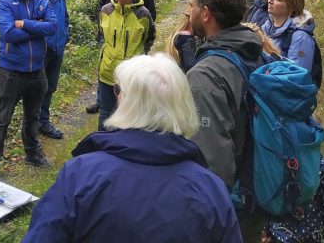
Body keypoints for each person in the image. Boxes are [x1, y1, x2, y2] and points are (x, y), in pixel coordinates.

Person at [23, 54, 242, 243]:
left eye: (117, 90)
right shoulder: (211, 189)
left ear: (127, 101)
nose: (115, 95)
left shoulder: (80, 175)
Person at [186, 0, 267, 242]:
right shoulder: (254, 50)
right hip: (257, 190)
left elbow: (211, 163)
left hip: (230, 208)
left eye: (192, 5)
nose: (189, 10)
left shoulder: (206, 75)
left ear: (206, 14)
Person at [0, 0, 56, 184]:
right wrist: (37, 26)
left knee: (32, 116)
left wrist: (24, 24)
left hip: (37, 70)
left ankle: (32, 153)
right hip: (11, 71)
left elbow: (52, 27)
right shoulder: (6, 0)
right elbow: (8, 34)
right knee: (2, 119)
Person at [87, 0, 156, 114]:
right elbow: (102, 28)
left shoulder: (143, 12)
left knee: (130, 113)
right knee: (106, 113)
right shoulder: (106, 11)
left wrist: (138, 54)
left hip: (132, 71)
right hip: (108, 69)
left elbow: (149, 36)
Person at [34, 0, 70, 140]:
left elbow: (64, 15)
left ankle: (43, 122)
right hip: (41, 49)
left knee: (50, 86)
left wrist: (65, 36)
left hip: (58, 47)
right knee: (37, 89)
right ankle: (33, 125)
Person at [260, 0, 316, 72]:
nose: (270, 1)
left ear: (292, 7)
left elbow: (297, 75)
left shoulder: (300, 37)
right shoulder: (267, 27)